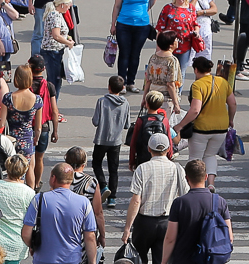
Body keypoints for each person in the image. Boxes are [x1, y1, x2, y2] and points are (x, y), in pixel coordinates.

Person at [120, 130, 187, 264]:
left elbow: (136, 200)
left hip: (144, 222)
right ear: (168, 150)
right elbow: (184, 197)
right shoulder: (177, 169)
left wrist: (127, 228)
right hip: (168, 224)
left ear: (149, 149)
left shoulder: (143, 169)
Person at [174, 56, 237, 187]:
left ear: (196, 70)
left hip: (201, 129)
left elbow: (195, 110)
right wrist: (230, 119)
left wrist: (180, 126)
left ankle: (194, 186)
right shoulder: (223, 82)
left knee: (195, 159)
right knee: (210, 155)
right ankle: (211, 184)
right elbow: (233, 103)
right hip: (221, 128)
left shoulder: (198, 85)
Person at [110, 0, 157, 93]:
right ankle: (122, 83)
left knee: (135, 54)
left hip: (142, 25)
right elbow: (117, 6)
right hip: (124, 24)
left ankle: (131, 82)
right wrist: (113, 24)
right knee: (124, 53)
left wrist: (144, 10)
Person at [91, 75, 131, 207]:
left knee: (97, 164)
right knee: (113, 169)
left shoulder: (102, 101)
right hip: (116, 141)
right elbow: (127, 125)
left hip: (101, 139)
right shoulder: (125, 103)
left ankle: (103, 186)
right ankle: (112, 198)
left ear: (109, 87)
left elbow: (95, 121)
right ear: (122, 88)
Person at [64, 146, 108, 250]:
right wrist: (102, 235)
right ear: (84, 164)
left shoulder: (60, 178)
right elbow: (98, 212)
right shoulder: (91, 182)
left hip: (62, 228)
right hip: (83, 231)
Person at [156, 0, 205, 75]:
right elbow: (160, 29)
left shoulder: (191, 8)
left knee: (180, 72)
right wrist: (158, 47)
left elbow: (195, 24)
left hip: (185, 45)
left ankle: (178, 90)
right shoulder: (168, 8)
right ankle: (169, 90)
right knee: (167, 72)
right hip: (168, 45)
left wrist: (196, 32)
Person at [0, 63, 43, 160]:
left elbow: (2, 123)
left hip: (11, 140)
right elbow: (38, 127)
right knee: (28, 168)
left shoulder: (8, 98)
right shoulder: (37, 100)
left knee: (12, 170)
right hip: (27, 139)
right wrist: (36, 139)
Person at [29, 56, 60, 188]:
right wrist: (55, 131)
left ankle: (28, 184)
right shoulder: (49, 86)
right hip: (44, 126)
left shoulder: (26, 84)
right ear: (44, 69)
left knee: (29, 158)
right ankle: (36, 183)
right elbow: (54, 111)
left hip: (28, 126)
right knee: (39, 158)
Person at [127, 90, 175, 173]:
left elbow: (134, 142)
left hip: (143, 158)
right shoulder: (164, 120)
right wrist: (169, 156)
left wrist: (132, 161)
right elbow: (169, 141)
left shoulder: (140, 121)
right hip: (160, 157)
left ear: (147, 104)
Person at [39, 0, 74, 97]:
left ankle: (51, 107)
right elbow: (56, 35)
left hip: (52, 50)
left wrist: (67, 37)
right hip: (52, 51)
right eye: (68, 6)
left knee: (55, 80)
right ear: (62, 4)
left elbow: (57, 33)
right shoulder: (55, 15)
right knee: (54, 81)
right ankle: (51, 108)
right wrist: (68, 43)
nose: (68, 8)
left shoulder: (55, 13)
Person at [144, 31, 182, 115]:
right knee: (163, 125)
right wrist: (176, 104)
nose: (177, 41)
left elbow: (148, 80)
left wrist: (144, 99)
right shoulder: (172, 60)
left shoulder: (153, 57)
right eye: (176, 39)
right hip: (165, 99)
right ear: (171, 44)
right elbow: (170, 84)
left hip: (152, 97)